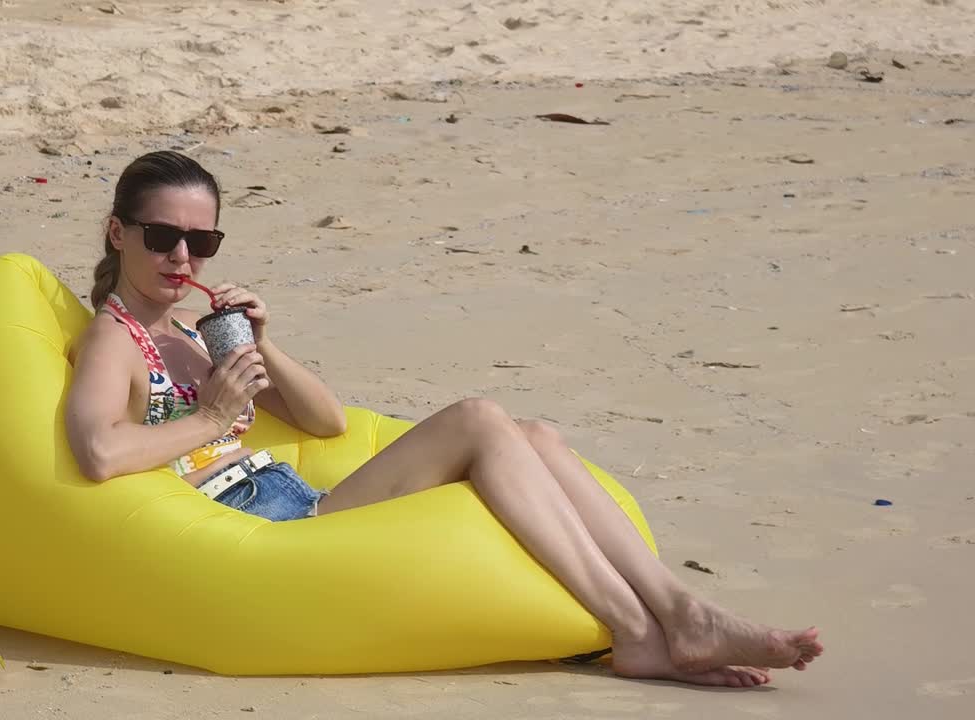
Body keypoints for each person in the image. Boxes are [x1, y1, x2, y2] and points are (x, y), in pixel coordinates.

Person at [65, 150, 823, 688]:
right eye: (163, 236)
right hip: (258, 532)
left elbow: (325, 423)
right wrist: (218, 417)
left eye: (203, 241)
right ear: (117, 232)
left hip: (295, 500)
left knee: (538, 439)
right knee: (479, 419)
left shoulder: (192, 333)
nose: (183, 258)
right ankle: (649, 628)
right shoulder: (114, 339)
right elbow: (99, 451)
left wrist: (263, 344)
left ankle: (674, 613)